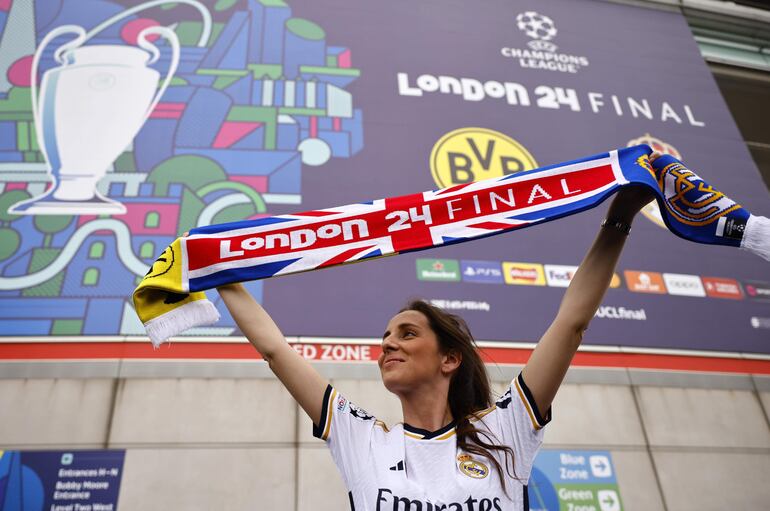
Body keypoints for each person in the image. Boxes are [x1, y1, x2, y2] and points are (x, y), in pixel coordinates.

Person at [210, 155, 658, 510]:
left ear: (449, 359)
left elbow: (571, 323)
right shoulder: (362, 438)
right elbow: (274, 350)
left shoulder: (505, 429)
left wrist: (620, 217)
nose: (387, 343)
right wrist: (213, 268)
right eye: (386, 335)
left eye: (406, 334)